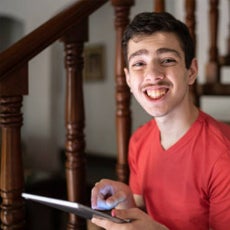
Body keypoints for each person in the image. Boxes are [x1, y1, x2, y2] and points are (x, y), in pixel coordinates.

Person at [90, 12, 230, 230]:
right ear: (128, 78)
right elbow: (143, 211)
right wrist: (124, 200)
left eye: (167, 60)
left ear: (191, 71)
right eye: (139, 63)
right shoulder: (139, 139)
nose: (153, 74)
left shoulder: (223, 154)